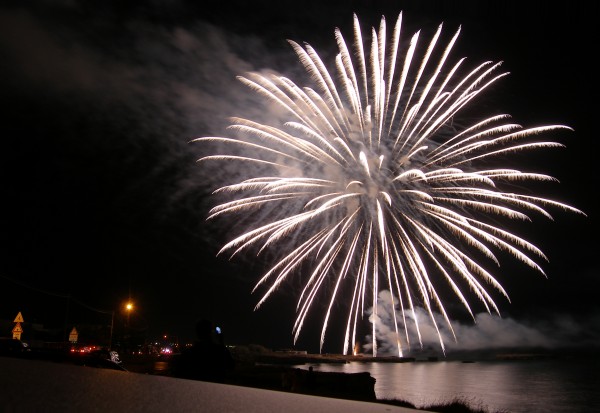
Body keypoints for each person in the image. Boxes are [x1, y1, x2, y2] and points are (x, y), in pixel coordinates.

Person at [171, 319, 235, 383]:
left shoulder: (188, 353)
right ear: (210, 332)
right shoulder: (218, 351)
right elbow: (231, 365)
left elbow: (179, 374)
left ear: (197, 333)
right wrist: (221, 342)